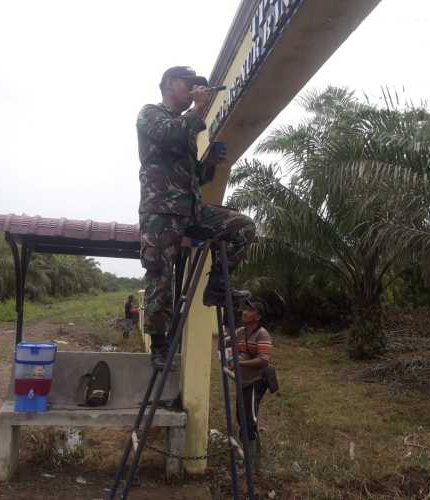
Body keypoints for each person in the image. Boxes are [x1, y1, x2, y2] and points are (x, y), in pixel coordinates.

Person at [137, 66, 255, 368]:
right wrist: (199, 110)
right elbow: (167, 135)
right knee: (161, 278)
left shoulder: (185, 126)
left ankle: (216, 286)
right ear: (169, 84)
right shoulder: (151, 114)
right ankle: (160, 346)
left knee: (243, 227)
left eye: (195, 87)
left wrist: (211, 163)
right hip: (160, 213)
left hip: (190, 210)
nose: (193, 91)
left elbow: (194, 179)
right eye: (188, 84)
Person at [235, 298, 274, 466]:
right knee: (240, 415)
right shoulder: (240, 332)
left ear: (257, 316)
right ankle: (252, 454)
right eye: (245, 309)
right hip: (242, 380)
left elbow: (263, 360)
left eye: (249, 310)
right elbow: (229, 346)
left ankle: (250, 461)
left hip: (255, 381)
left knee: (249, 418)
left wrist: (241, 363)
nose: (245, 312)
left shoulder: (262, 334)